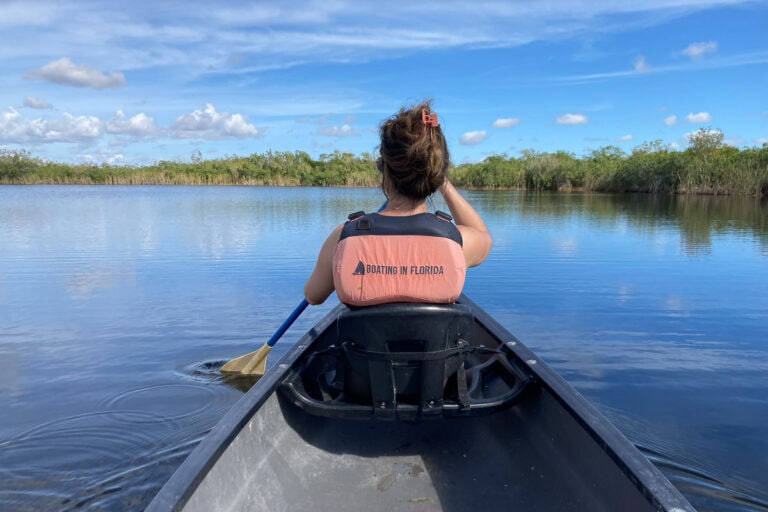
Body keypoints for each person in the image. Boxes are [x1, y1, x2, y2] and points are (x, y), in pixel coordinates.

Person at [304, 100, 492, 306]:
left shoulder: (344, 237)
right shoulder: (454, 241)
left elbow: (313, 296)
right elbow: (484, 238)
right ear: (436, 171)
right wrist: (442, 182)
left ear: (384, 169)